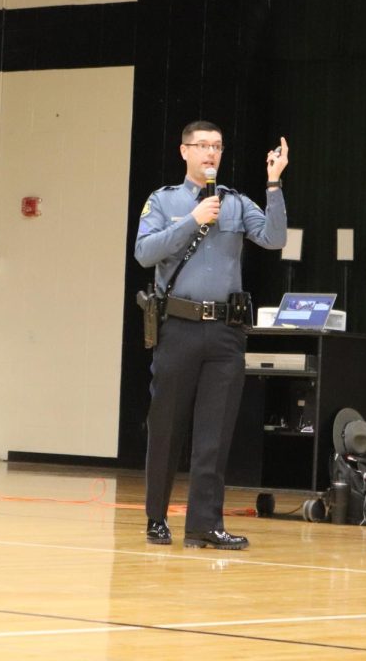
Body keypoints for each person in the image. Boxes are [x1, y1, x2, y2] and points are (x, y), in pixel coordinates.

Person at [134, 120, 288, 549]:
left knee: (214, 433)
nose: (210, 153)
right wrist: (192, 220)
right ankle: (156, 519)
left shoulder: (235, 203)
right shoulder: (163, 201)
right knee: (166, 427)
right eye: (202, 146)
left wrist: (273, 184)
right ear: (183, 151)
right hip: (178, 328)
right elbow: (144, 253)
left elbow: (274, 238)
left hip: (225, 332)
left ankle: (205, 524)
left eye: (217, 146)